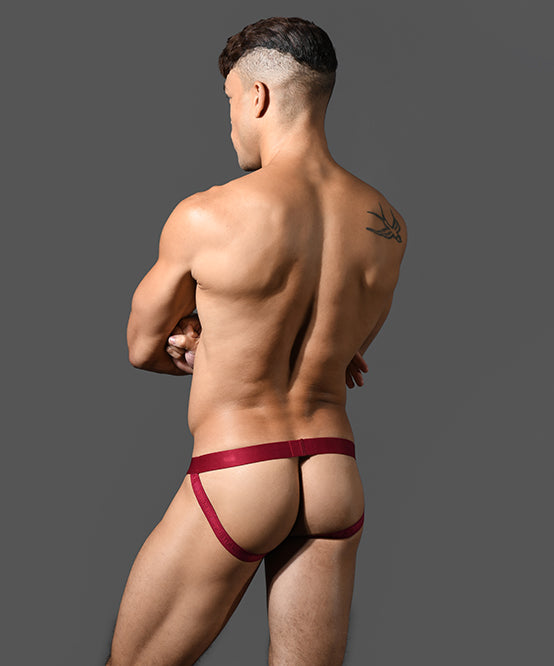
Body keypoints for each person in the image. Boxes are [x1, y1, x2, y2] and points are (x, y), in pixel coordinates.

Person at [107, 16, 406, 666]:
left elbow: (141, 345)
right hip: (333, 470)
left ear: (259, 95)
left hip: (239, 468)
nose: (230, 123)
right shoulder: (386, 224)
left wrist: (200, 341)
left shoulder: (207, 214)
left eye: (230, 102)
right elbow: (349, 354)